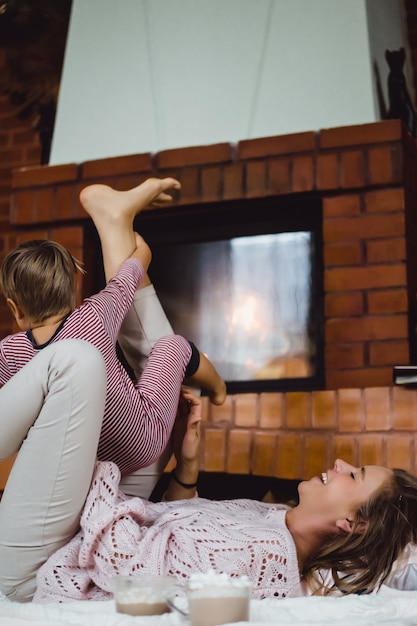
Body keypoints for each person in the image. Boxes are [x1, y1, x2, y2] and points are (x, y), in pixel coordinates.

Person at [0, 178, 226, 478]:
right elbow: (127, 277)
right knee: (171, 345)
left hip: (90, 455)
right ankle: (219, 388)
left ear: (15, 308)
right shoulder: (92, 317)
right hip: (143, 442)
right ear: (73, 288)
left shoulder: (9, 351)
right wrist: (141, 250)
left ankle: (116, 215)